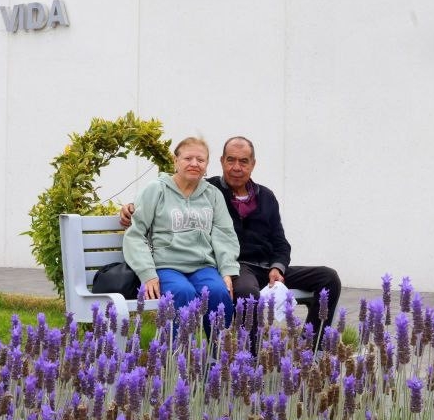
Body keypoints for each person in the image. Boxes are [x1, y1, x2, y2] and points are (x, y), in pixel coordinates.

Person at [122, 135, 341, 342]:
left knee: (328, 277)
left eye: (243, 161)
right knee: (240, 292)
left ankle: (313, 347)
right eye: (231, 160)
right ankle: (246, 356)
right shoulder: (211, 188)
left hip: (264, 268)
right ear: (221, 162)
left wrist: (278, 266)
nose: (237, 167)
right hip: (239, 268)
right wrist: (132, 208)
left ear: (253, 164)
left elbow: (279, 241)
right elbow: (156, 206)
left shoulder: (264, 196)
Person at [122, 136, 238, 333]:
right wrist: (147, 273)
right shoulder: (156, 189)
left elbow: (224, 235)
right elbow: (135, 234)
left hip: (203, 267)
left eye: (200, 160)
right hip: (166, 267)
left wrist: (227, 270)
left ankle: (219, 352)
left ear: (207, 165)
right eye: (188, 158)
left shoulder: (213, 194)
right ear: (175, 161)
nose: (194, 163)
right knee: (183, 293)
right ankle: (180, 352)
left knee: (219, 292)